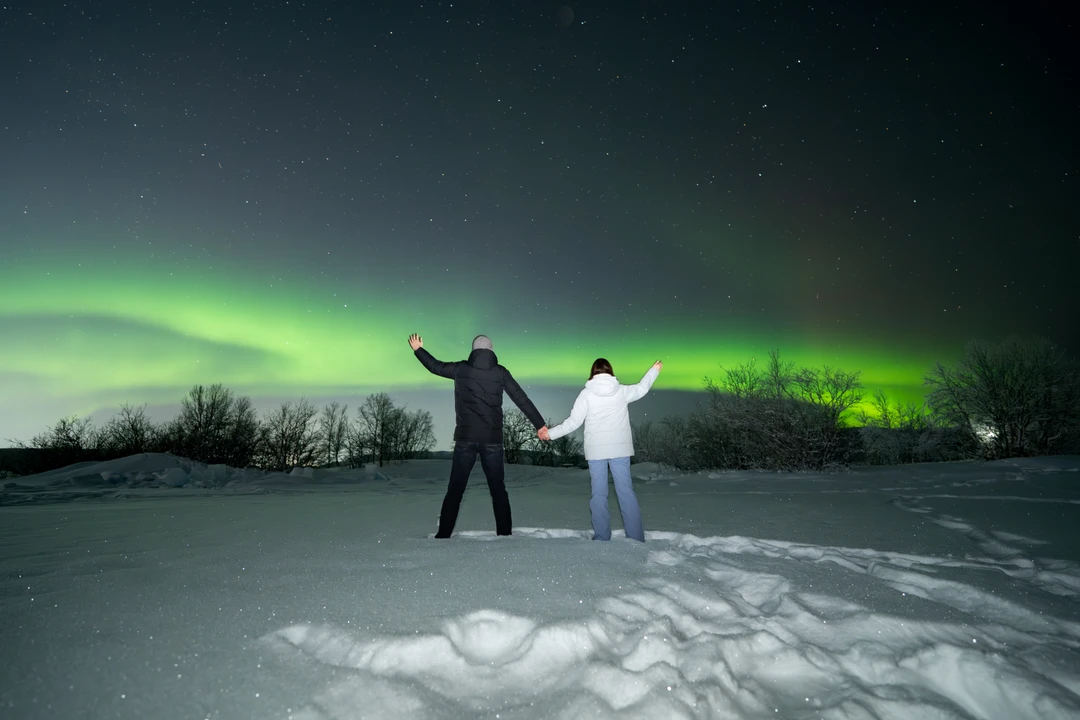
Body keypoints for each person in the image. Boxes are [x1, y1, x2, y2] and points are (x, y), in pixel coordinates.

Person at [409, 333, 548, 538]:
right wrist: (540, 425)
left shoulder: (461, 369)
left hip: (465, 439)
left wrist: (418, 350)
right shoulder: (500, 372)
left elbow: (435, 367)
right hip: (492, 440)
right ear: (491, 351)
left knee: (455, 489)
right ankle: (504, 535)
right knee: (498, 490)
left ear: (474, 351)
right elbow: (521, 398)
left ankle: (443, 535)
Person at [542, 358, 662, 542]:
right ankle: (636, 538)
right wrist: (654, 370)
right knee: (625, 492)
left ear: (593, 373)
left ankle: (602, 537)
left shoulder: (586, 394)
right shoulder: (621, 391)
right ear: (610, 371)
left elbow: (573, 422)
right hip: (619, 450)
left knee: (598, 494)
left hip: (596, 451)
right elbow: (642, 388)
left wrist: (550, 434)